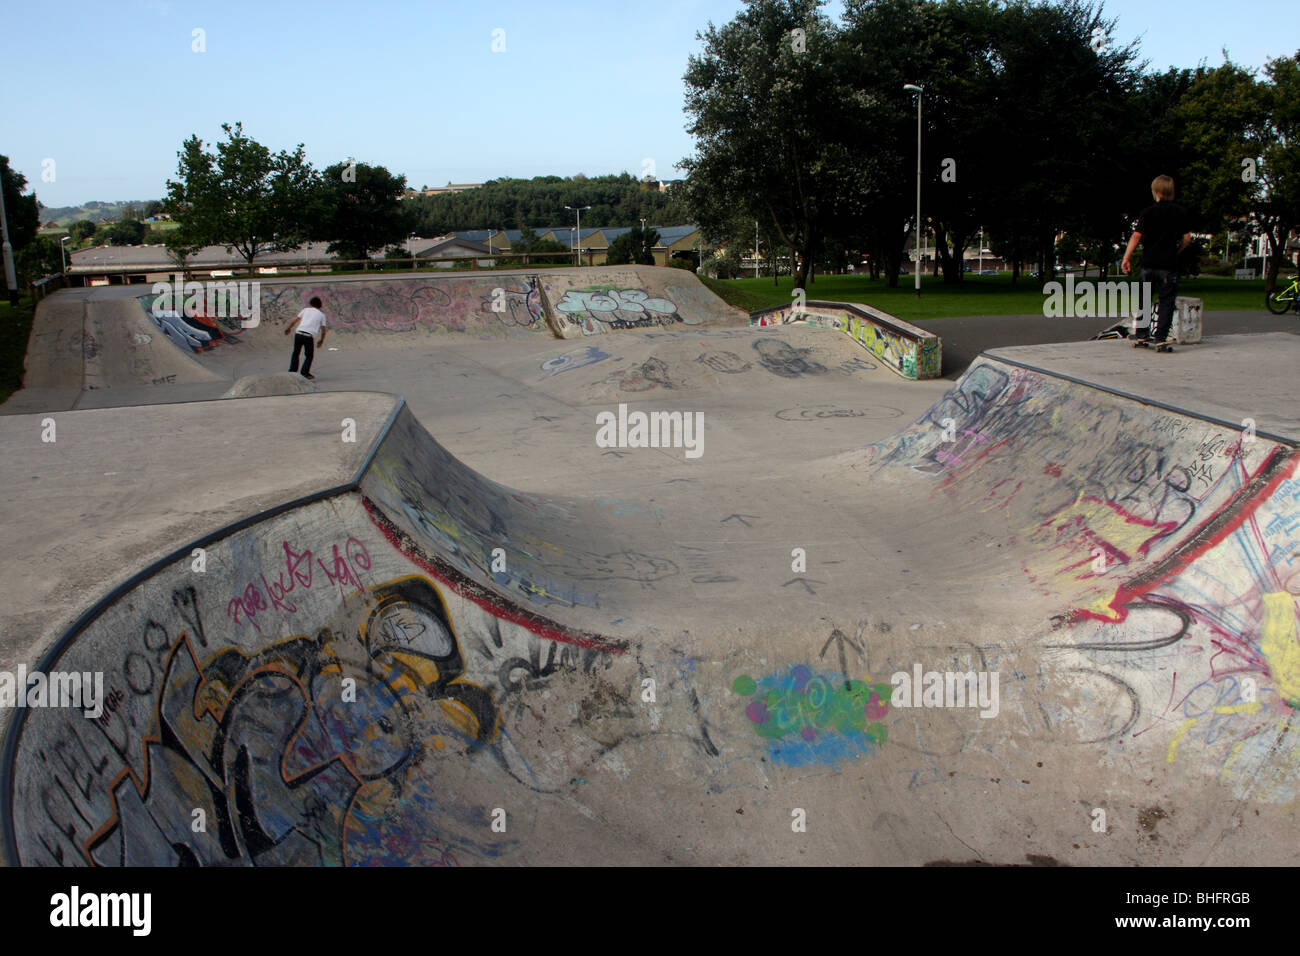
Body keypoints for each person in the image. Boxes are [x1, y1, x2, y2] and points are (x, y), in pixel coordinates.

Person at [1121, 175, 1191, 348]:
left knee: (1144, 299)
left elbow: (1137, 236)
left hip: (1148, 262)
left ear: (1155, 192)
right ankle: (1160, 337)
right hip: (1168, 264)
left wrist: (1126, 257)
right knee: (1166, 301)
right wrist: (1176, 251)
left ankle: (1142, 334)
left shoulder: (1147, 212)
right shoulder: (1180, 212)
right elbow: (1187, 238)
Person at [284, 296, 327, 379]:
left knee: (296, 353)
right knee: (309, 355)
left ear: (311, 303)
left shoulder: (305, 310)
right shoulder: (322, 315)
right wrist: (321, 340)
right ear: (319, 305)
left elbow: (295, 320)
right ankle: (304, 373)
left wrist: (288, 328)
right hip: (309, 335)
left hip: (299, 333)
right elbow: (323, 330)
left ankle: (292, 371)